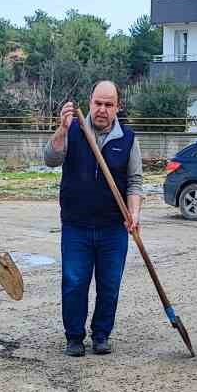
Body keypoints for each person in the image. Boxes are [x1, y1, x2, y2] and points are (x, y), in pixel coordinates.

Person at [43, 81, 142, 357]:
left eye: (109, 105)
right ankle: (74, 336)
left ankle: (101, 335)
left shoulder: (128, 139)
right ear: (90, 103)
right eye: (98, 103)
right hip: (76, 226)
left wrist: (133, 214)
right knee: (74, 282)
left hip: (113, 228)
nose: (102, 109)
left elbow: (135, 181)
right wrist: (62, 129)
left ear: (118, 107)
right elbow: (50, 159)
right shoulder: (73, 130)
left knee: (109, 284)